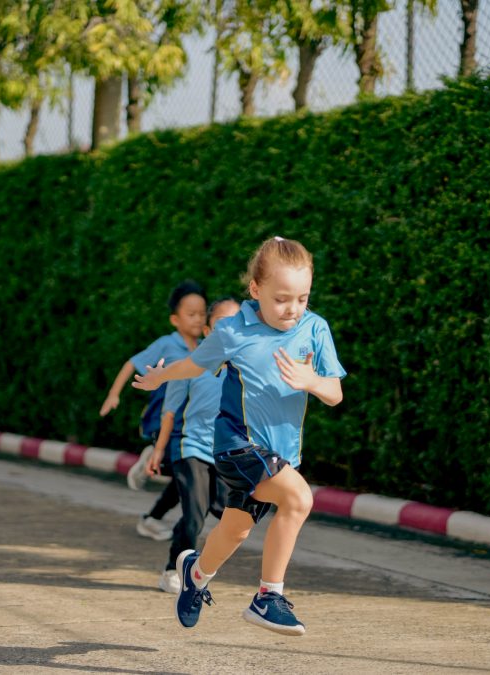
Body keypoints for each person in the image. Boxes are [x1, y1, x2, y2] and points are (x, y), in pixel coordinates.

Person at [133, 236, 345, 636]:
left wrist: (311, 380)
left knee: (236, 528)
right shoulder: (233, 331)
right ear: (256, 290)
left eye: (302, 298)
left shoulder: (315, 328)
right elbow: (195, 365)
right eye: (282, 298)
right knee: (299, 499)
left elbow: (334, 393)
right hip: (238, 445)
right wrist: (160, 376)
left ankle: (195, 573)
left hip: (282, 453)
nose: (293, 309)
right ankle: (268, 597)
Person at [145, 297, 241, 594]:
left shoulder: (244, 368)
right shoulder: (189, 365)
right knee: (195, 514)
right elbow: (170, 412)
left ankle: (186, 547)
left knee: (225, 513)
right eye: (223, 324)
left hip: (224, 452)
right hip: (192, 449)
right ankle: (173, 569)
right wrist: (159, 450)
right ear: (209, 330)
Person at [99, 280, 207, 540]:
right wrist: (114, 394)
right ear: (174, 319)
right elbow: (131, 363)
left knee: (189, 473)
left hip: (189, 419)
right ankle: (151, 457)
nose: (197, 319)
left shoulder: (206, 348)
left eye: (202, 313)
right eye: (191, 314)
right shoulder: (167, 344)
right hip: (165, 414)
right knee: (183, 468)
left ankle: (151, 518)